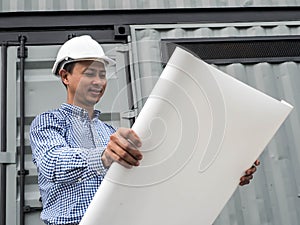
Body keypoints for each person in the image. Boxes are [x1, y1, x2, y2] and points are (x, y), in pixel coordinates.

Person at [30, 35, 259, 225]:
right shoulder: (48, 122)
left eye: (102, 74)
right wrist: (104, 156)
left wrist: (228, 172)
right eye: (89, 73)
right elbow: (52, 163)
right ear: (65, 76)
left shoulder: (109, 132)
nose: (99, 81)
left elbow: (153, 177)